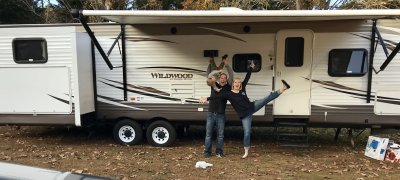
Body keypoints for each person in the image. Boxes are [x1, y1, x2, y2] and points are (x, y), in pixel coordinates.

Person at [201, 61, 290, 159]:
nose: (237, 83)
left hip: (252, 106)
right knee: (247, 132)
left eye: (238, 82)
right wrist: (207, 99)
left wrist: (251, 67)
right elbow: (217, 96)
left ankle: (283, 88)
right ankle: (246, 151)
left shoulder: (241, 89)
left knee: (266, 99)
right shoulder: (228, 93)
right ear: (232, 83)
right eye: (235, 82)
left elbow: (247, 77)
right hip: (244, 116)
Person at [204, 56, 233, 158]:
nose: (223, 79)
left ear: (226, 80)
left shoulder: (227, 87)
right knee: (208, 134)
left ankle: (219, 152)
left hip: (221, 114)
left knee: (220, 135)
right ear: (219, 78)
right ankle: (207, 152)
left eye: (225, 78)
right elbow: (208, 74)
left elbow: (231, 74)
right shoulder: (213, 84)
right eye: (222, 77)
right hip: (211, 113)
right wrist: (210, 63)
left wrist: (226, 65)